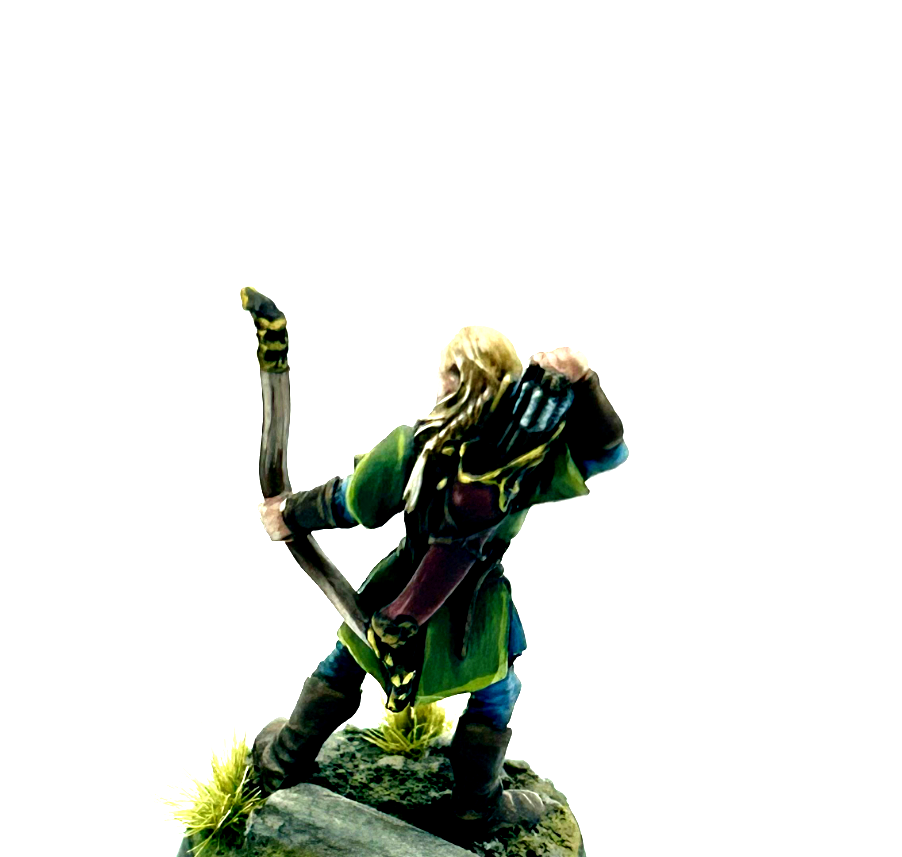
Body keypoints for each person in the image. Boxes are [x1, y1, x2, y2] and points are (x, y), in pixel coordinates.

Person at [253, 325, 627, 828]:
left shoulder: (434, 449)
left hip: (423, 602)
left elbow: (352, 500)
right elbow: (607, 451)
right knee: (496, 692)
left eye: (449, 371)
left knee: (347, 662)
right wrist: (585, 383)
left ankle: (285, 758)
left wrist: (290, 513)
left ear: (461, 378)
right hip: (471, 611)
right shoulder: (521, 466)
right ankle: (477, 802)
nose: (441, 381)